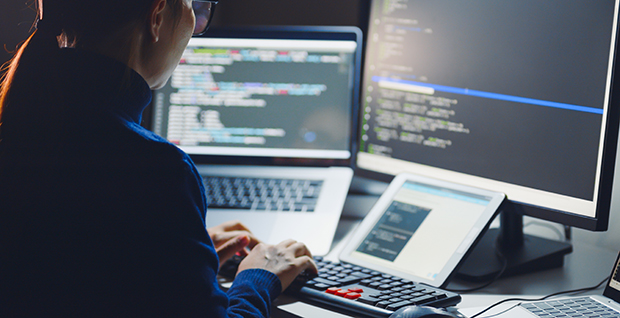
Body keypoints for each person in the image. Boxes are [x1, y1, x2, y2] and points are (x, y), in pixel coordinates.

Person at [0, 0, 317, 317]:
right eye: (194, 7)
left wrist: (178, 252)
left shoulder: (25, 128)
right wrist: (258, 276)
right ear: (158, 15)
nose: (195, 26)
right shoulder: (156, 170)